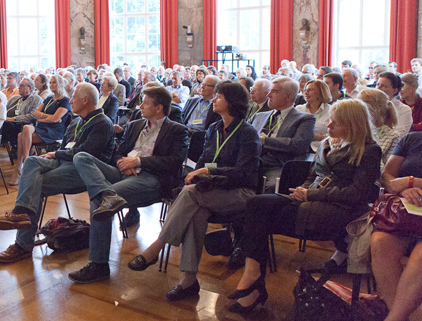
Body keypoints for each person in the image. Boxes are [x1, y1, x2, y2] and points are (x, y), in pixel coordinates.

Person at [229, 99, 380, 314]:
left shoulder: (369, 150)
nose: (328, 126)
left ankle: (253, 285)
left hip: (338, 210)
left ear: (352, 124)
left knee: (260, 218)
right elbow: (313, 175)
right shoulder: (330, 142)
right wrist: (303, 191)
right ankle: (253, 276)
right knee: (255, 204)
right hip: (310, 200)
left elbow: (357, 194)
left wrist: (312, 194)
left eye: (334, 123)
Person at [127, 81, 261, 300]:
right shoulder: (214, 129)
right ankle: (188, 281)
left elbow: (244, 173)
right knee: (196, 211)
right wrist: (201, 172)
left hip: (241, 192)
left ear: (232, 102)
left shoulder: (247, 133)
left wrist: (208, 173)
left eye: (219, 96)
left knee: (190, 194)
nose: (214, 100)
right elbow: (203, 162)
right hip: (210, 192)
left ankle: (158, 246)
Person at [68, 85, 189, 283]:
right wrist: (121, 162)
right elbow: (116, 152)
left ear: (159, 108)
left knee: (99, 201)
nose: (140, 106)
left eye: (146, 103)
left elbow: (174, 161)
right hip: (123, 171)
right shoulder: (135, 125)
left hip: (150, 178)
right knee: (82, 157)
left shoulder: (177, 130)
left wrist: (139, 162)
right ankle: (107, 194)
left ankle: (98, 265)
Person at [0, 83, 115, 264]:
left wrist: (56, 153)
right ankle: (20, 212)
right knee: (32, 161)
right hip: (64, 160)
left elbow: (86, 155)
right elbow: (67, 147)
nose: (71, 101)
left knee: (34, 185)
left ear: (85, 100)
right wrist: (57, 154)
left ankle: (22, 245)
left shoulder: (102, 123)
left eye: (74, 98)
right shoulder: (78, 121)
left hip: (84, 171)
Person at [368, 92, 422, 321]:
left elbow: (403, 179)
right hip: (407, 215)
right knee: (380, 243)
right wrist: (401, 189)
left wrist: (412, 182)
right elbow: (388, 176)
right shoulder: (411, 139)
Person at [250, 77, 315, 192]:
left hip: (278, 165)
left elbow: (299, 145)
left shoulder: (304, 119)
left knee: (269, 187)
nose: (268, 95)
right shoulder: (259, 116)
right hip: (252, 162)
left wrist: (265, 141)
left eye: (274, 91)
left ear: (289, 96)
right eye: (269, 91)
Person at [12, 75, 72, 183]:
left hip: (54, 131)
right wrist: (46, 117)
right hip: (43, 127)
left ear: (60, 85)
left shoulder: (65, 100)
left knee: (21, 135)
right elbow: (36, 113)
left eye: (54, 82)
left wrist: (42, 118)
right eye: (51, 82)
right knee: (24, 130)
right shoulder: (49, 98)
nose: (52, 85)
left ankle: (20, 167)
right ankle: (26, 162)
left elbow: (55, 119)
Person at [358, 88, 400, 170]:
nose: (358, 111)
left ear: (378, 108)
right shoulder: (355, 130)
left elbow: (388, 171)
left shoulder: (392, 137)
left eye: (362, 107)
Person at [296, 79, 333, 152]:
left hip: (321, 150)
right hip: (299, 149)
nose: (306, 92)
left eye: (310, 90)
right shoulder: (298, 109)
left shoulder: (331, 110)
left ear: (321, 92)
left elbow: (333, 137)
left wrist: (311, 137)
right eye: (305, 90)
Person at [376, 72, 412, 137]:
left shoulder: (404, 110)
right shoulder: (371, 106)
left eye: (383, 86)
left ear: (394, 91)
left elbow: (399, 135)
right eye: (377, 84)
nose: (378, 88)